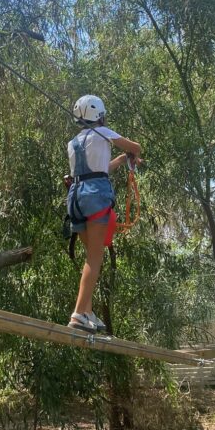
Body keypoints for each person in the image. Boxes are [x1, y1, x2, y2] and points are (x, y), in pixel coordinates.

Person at [66, 94, 141, 334]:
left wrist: (119, 160)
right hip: (95, 195)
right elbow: (135, 147)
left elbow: (95, 170)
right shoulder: (103, 133)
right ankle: (78, 313)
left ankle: (86, 311)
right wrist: (132, 154)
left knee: (91, 256)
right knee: (95, 258)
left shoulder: (73, 143)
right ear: (100, 115)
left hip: (76, 197)